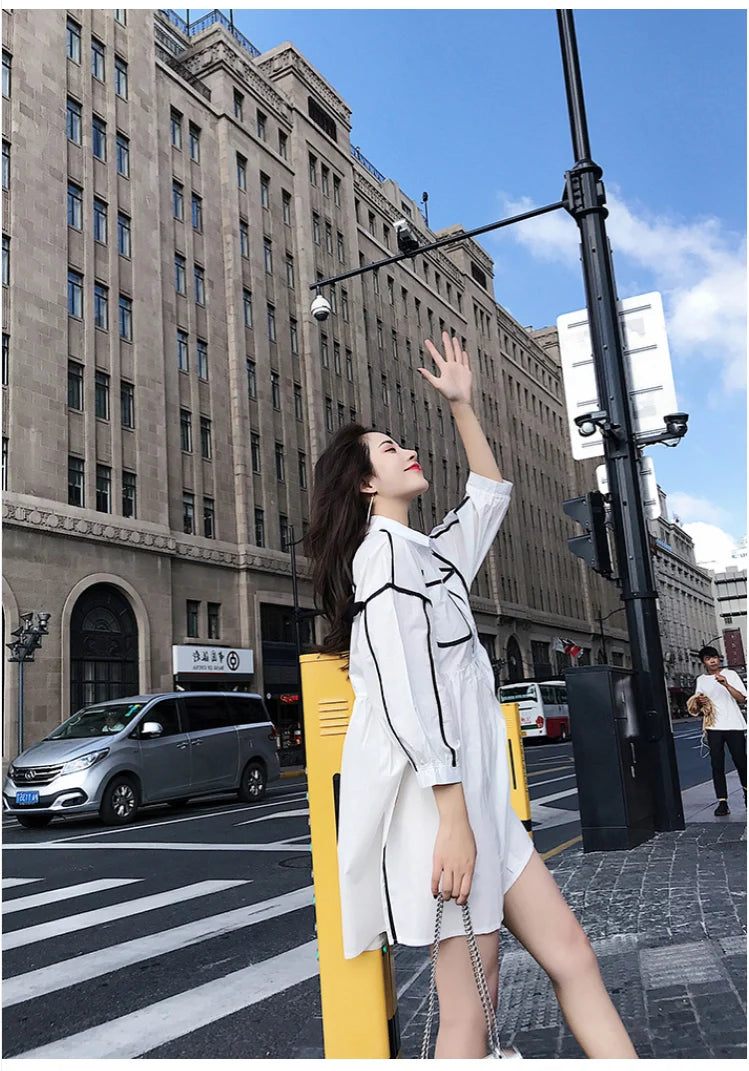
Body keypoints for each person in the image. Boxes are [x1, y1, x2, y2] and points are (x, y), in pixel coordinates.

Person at [305, 332, 637, 1059]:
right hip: (441, 815)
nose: (404, 452)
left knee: (572, 955)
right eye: (388, 450)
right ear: (365, 483)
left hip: (480, 809)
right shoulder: (382, 557)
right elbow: (406, 696)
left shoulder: (425, 556)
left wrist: (463, 406)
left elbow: (487, 498)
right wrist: (453, 820)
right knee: (468, 1013)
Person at [693, 646, 747, 815]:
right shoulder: (701, 680)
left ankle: (747, 793)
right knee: (717, 764)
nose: (713, 661)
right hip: (713, 726)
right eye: (709, 659)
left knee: (741, 762)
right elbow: (697, 707)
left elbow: (742, 698)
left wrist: (726, 684)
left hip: (734, 725)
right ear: (704, 662)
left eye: (715, 657)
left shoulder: (730, 675)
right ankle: (722, 802)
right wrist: (700, 701)